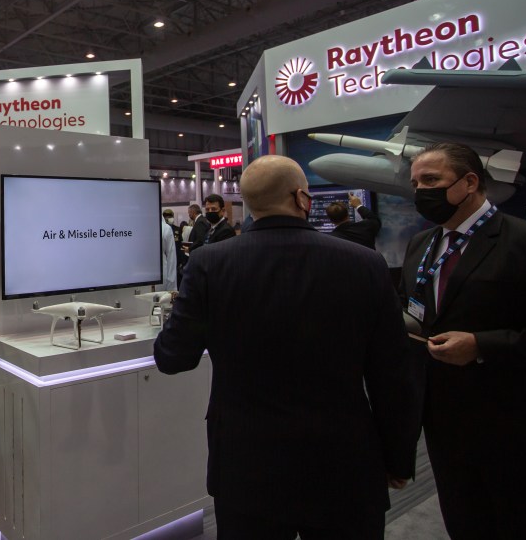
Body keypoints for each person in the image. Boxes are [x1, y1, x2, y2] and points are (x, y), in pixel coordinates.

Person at [154, 155, 419, 540]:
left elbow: (173, 358)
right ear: (302, 198)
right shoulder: (365, 263)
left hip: (246, 466)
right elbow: (393, 373)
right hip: (343, 463)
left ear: (245, 204)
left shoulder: (210, 263)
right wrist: (398, 458)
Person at [401, 142, 526, 540]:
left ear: (469, 182)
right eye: (415, 184)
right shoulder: (422, 245)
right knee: (464, 522)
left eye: (431, 180)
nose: (420, 192)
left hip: (516, 424)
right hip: (444, 424)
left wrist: (483, 345)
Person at [160, 216, 178, 292]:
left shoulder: (165, 228)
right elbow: (171, 257)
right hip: (162, 276)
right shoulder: (165, 228)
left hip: (162, 276)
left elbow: (171, 257)